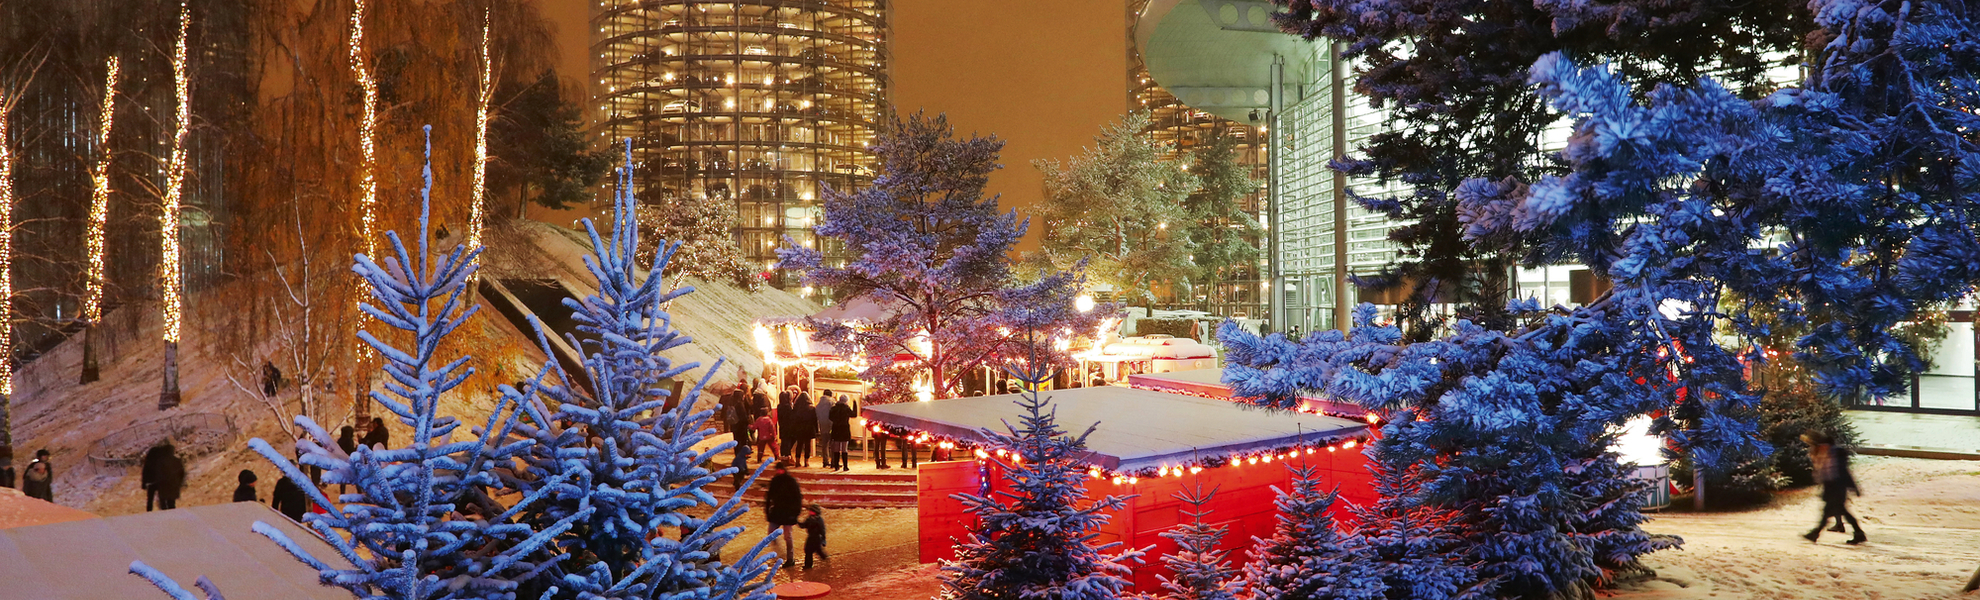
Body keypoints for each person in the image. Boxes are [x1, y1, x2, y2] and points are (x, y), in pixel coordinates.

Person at [1803, 431, 1866, 544]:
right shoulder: (1823, 453)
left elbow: (1844, 471)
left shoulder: (1836, 452)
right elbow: (1823, 471)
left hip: (1837, 485)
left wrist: (1853, 487)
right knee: (1840, 511)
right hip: (1830, 486)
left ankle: (1815, 533)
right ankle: (1858, 533)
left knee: (1830, 511)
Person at [763, 461, 803, 568]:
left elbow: (797, 497)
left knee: (788, 536)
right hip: (778, 512)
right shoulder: (775, 481)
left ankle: (790, 558)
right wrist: (767, 510)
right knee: (771, 533)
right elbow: (769, 496)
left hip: (788, 513)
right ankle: (779, 553)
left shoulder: (790, 481)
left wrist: (796, 512)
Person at [143, 445, 185, 510]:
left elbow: (145, 472)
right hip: (164, 482)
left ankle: (152, 510)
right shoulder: (167, 461)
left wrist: (144, 482)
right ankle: (170, 509)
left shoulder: (151, 461)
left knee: (152, 498)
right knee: (168, 499)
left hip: (153, 482)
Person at [790, 391, 817, 468]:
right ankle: (806, 461)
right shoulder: (812, 408)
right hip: (809, 429)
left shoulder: (796, 408)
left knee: (799, 444)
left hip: (799, 429)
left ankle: (797, 461)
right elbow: (814, 420)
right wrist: (816, 430)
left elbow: (794, 419)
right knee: (807, 445)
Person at [828, 395, 855, 473]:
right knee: (844, 448)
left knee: (836, 448)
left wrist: (836, 421)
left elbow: (830, 417)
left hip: (836, 429)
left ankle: (836, 465)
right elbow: (854, 414)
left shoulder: (834, 408)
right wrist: (855, 405)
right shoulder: (846, 408)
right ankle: (845, 466)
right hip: (844, 429)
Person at [800, 503, 829, 569]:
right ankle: (808, 565)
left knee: (815, 550)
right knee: (808, 551)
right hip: (810, 537)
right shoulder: (809, 519)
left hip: (816, 538)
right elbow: (804, 525)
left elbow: (822, 530)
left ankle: (822, 558)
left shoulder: (819, 520)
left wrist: (823, 539)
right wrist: (797, 522)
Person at [814, 390, 837, 470]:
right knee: (833, 444)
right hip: (831, 426)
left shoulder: (818, 404)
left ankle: (825, 461)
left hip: (822, 426)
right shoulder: (831, 402)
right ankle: (833, 461)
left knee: (825, 444)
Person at [776, 389, 798, 462]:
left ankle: (784, 456)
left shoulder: (779, 406)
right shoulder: (788, 407)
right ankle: (787, 456)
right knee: (789, 441)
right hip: (789, 427)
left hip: (782, 426)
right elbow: (791, 416)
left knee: (784, 441)